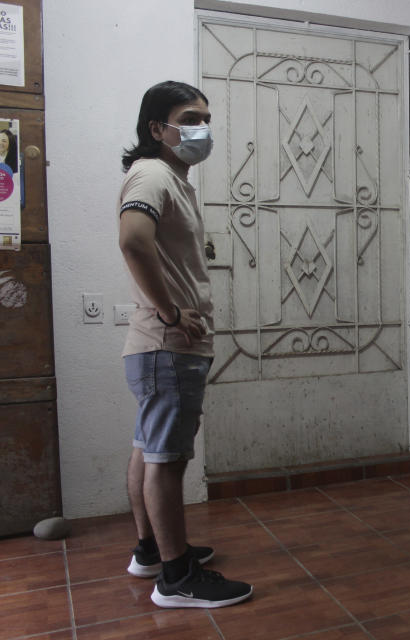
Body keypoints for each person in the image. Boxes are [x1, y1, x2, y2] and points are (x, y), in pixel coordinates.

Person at [118, 80, 252, 608]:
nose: (202, 128)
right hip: (167, 344)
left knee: (147, 450)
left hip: (157, 346)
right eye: (189, 118)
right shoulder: (152, 173)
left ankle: (152, 550)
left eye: (205, 118)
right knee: (166, 461)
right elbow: (132, 239)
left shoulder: (171, 178)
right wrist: (171, 311)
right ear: (158, 129)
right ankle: (176, 578)